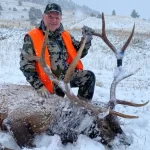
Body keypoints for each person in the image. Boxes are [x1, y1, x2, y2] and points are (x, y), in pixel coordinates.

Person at [20, 3, 95, 101]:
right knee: (55, 110)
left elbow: (79, 54)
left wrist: (86, 40)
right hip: (48, 82)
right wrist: (39, 86)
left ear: (61, 19)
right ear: (43, 17)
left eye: (57, 17)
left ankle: (81, 110)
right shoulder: (33, 36)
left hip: (65, 77)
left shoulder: (65, 34)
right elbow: (26, 65)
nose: (54, 20)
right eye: (50, 17)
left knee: (88, 77)